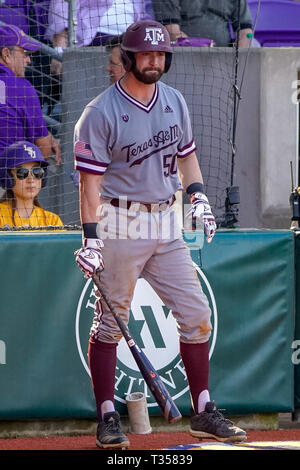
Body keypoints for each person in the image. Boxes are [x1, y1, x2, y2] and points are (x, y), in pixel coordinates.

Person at [74, 20, 246, 449]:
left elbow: (187, 158)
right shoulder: (100, 112)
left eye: (160, 55)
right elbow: (89, 186)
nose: (154, 61)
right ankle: (107, 415)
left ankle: (203, 411)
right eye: (146, 55)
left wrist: (199, 198)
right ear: (129, 59)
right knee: (110, 323)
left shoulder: (175, 101)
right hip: (120, 221)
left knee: (196, 314)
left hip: (167, 221)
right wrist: (91, 239)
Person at [0, 24, 61, 165]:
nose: (28, 60)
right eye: (25, 53)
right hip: (7, 176)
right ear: (6, 54)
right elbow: (43, 151)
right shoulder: (20, 88)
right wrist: (44, 135)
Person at [0, 140, 63, 228]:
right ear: (7, 178)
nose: (31, 179)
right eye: (22, 172)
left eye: (37, 171)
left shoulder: (52, 221)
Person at [152, 0, 253, 48]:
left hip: (225, 56)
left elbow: (246, 30)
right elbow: (171, 31)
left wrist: (239, 57)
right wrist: (199, 45)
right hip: (185, 54)